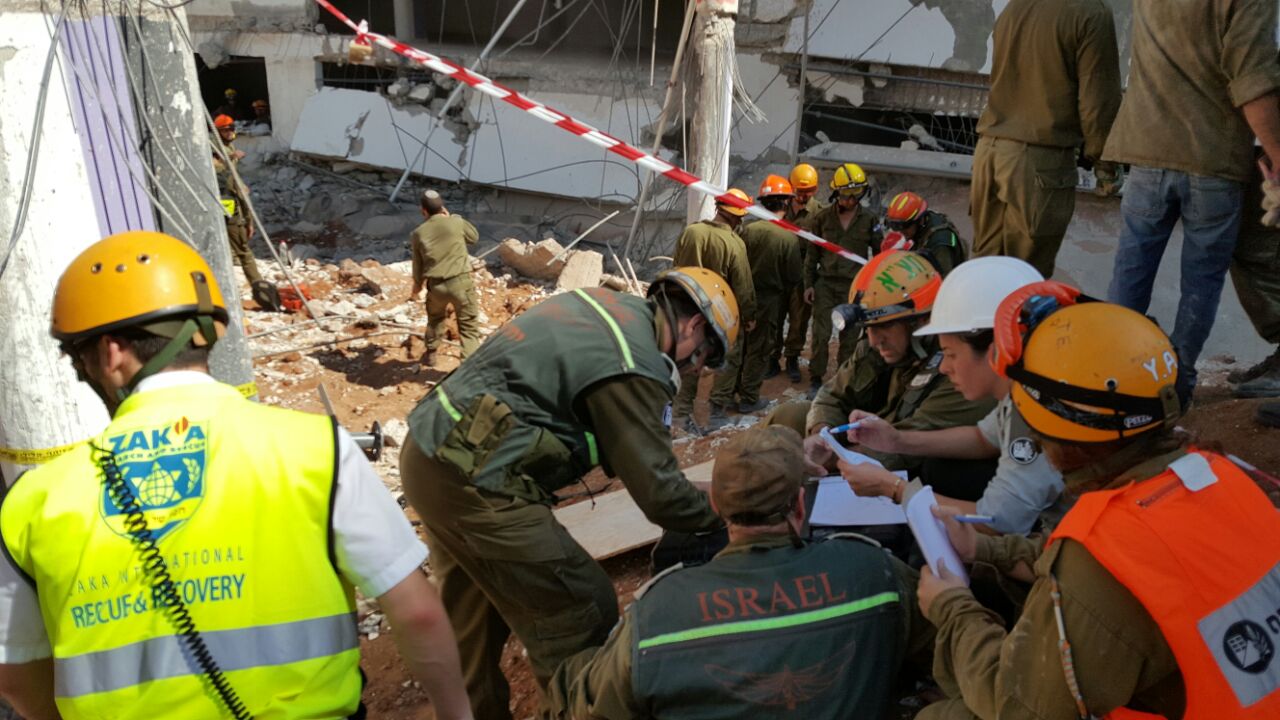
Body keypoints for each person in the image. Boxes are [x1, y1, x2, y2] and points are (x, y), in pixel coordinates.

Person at [0, 231, 472, 720]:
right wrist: (456, 713)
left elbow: (15, 673)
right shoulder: (316, 449)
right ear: (206, 334)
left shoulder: (33, 501)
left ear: (111, 353)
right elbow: (415, 610)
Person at [916, 281, 1280, 719]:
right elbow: (1150, 571)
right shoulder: (1226, 475)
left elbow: (1019, 707)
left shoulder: (1102, 551)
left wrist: (953, 609)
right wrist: (985, 548)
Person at [398, 268, 738, 720]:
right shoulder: (634, 363)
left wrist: (709, 491)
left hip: (431, 455)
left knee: (472, 616)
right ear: (694, 325)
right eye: (703, 356)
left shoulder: (607, 309)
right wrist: (730, 512)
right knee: (579, 606)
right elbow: (660, 495)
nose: (695, 368)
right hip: (480, 485)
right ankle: (576, 710)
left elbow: (643, 467)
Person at [544, 425, 934, 719]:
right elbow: (939, 642)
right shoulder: (875, 571)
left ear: (715, 503)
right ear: (800, 504)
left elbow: (588, 706)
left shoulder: (657, 613)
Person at [1105, 0, 1280, 407]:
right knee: (1200, 283)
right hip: (1211, 157)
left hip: (1147, 150)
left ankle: (1113, 376)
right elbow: (1253, 79)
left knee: (1130, 272)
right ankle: (1175, 388)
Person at [837, 257, 1067, 536]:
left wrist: (894, 488)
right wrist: (896, 440)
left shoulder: (1042, 414)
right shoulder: (1028, 385)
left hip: (1076, 554)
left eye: (951, 354)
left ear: (997, 352)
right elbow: (984, 438)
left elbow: (996, 522)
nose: (944, 367)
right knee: (941, 470)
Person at [771, 250, 995, 491]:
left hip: (916, 466)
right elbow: (831, 396)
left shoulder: (960, 369)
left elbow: (903, 449)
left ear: (921, 321)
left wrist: (830, 458)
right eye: (868, 327)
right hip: (876, 436)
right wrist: (821, 435)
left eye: (885, 325)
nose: (874, 339)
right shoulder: (876, 346)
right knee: (790, 415)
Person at [970, 0, 1121, 277]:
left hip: (988, 151)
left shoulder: (1015, 7)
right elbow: (1098, 102)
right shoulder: (1091, 11)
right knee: (1026, 278)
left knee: (983, 271)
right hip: (1039, 161)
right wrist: (1106, 163)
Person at [670, 190, 756, 431]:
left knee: (689, 355)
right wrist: (749, 315)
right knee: (731, 353)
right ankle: (717, 410)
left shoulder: (691, 232)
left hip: (687, 305)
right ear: (736, 216)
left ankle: (680, 415)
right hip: (719, 308)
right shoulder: (734, 243)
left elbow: (677, 267)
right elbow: (743, 284)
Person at [804, 163, 881, 392]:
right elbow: (811, 255)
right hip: (825, 284)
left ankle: (843, 379)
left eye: (855, 196)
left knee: (850, 338)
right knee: (821, 334)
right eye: (846, 196)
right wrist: (809, 285)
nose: (850, 201)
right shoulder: (822, 219)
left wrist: (874, 289)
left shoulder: (870, 220)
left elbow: (879, 257)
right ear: (836, 193)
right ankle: (816, 378)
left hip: (854, 287)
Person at [734, 176, 804, 413]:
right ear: (786, 203)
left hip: (741, 295)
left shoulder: (746, 231)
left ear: (763, 202)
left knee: (741, 346)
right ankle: (749, 397)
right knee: (760, 348)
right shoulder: (788, 237)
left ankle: (731, 390)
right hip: (769, 299)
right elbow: (794, 276)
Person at [409, 189, 482, 366]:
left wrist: (416, 289)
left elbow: (417, 267)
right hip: (461, 284)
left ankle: (431, 353)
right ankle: (467, 369)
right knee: (468, 328)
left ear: (423, 211)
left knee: (435, 320)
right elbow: (474, 238)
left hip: (436, 287)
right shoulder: (455, 222)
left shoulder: (418, 233)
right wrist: (454, 217)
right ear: (442, 208)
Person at [770, 163, 824, 384]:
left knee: (799, 319)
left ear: (816, 189)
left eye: (808, 191)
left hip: (803, 271)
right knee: (775, 316)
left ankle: (792, 357)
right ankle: (772, 358)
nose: (803, 196)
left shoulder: (820, 213)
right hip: (778, 269)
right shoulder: (778, 205)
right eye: (799, 191)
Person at [212, 114, 262, 286]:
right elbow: (217, 168)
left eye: (231, 129)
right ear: (218, 132)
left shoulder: (226, 146)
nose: (229, 132)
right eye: (225, 130)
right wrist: (232, 157)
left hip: (229, 196)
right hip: (224, 197)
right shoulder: (216, 148)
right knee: (241, 246)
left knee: (236, 238)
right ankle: (257, 283)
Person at [881, 191, 966, 276]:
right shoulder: (923, 224)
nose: (900, 231)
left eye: (904, 226)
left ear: (919, 221)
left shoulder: (940, 244)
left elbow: (944, 280)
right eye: (894, 226)